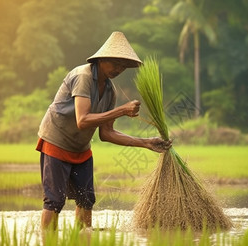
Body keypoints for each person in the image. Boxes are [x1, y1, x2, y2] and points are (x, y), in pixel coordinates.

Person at [36, 31, 171, 232]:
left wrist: (145, 142)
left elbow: (106, 133)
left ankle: (84, 243)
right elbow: (82, 121)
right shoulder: (83, 77)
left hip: (81, 148)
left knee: (86, 200)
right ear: (101, 60)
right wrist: (122, 110)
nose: (118, 69)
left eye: (123, 66)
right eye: (114, 63)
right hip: (56, 142)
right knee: (55, 201)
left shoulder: (110, 91)